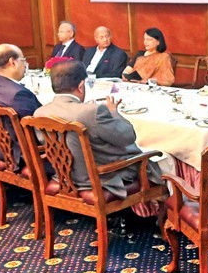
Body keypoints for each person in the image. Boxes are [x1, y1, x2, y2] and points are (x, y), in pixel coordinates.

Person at [34, 60, 163, 200]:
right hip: (100, 179)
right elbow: (128, 137)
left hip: (63, 176)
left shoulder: (39, 113)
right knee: (160, 161)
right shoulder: (92, 112)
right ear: (81, 86)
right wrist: (114, 112)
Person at [0, 44, 42, 119]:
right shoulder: (20, 94)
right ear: (12, 62)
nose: (25, 65)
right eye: (23, 60)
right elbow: (39, 121)